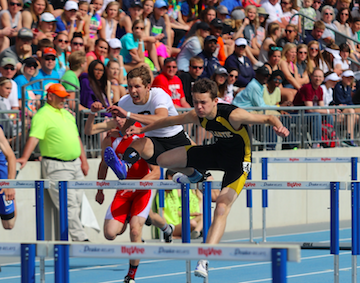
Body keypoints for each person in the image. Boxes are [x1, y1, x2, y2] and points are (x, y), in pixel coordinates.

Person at [124, 77, 289, 278]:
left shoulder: (234, 115)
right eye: (195, 102)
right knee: (164, 159)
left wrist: (279, 126)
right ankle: (195, 175)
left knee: (221, 207)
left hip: (238, 162)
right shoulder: (196, 115)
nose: (199, 107)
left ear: (215, 101)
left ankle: (204, 259)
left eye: (203, 103)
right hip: (216, 152)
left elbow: (267, 118)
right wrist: (142, 130)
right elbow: (169, 120)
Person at [84, 102, 161, 283]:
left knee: (135, 231)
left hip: (143, 188)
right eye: (115, 117)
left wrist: (140, 184)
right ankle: (132, 216)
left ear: (129, 116)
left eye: (122, 116)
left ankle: (131, 276)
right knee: (110, 234)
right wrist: (100, 189)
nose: (119, 120)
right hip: (124, 189)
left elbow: (157, 172)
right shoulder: (110, 138)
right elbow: (103, 163)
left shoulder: (142, 136)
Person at [17, 83, 90, 242]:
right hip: (57, 166)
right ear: (50, 96)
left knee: (78, 202)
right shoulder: (42, 115)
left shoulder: (67, 113)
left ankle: (78, 238)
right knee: (68, 204)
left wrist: (83, 160)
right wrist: (24, 157)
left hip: (75, 164)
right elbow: (34, 137)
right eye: (61, 97)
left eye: (65, 97)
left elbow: (76, 138)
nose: (64, 100)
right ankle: (81, 240)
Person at [293, 68, 338, 148]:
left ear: (323, 78)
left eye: (320, 77)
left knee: (328, 117)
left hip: (308, 114)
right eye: (316, 76)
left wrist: (329, 112)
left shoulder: (320, 89)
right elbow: (309, 108)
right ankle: (316, 142)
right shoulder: (307, 88)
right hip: (298, 114)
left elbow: (321, 106)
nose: (318, 79)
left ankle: (328, 140)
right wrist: (328, 111)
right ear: (311, 77)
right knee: (316, 115)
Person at [333, 69, 358, 146]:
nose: (349, 80)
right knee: (351, 111)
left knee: (356, 116)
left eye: (351, 78)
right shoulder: (338, 86)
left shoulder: (348, 88)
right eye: (347, 77)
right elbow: (339, 101)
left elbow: (349, 102)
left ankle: (351, 139)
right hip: (339, 110)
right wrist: (346, 105)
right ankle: (349, 138)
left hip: (345, 109)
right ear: (343, 77)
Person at [0, 123, 16, 230]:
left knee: (8, 224)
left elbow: (11, 156)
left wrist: (10, 185)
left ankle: (13, 201)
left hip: (1, 178)